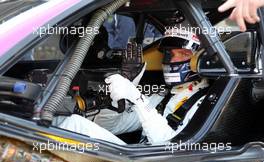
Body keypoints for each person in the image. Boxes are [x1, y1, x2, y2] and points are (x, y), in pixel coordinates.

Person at [53, 28, 209, 145]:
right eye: (170, 54)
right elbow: (107, 127)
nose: (173, 60)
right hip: (136, 158)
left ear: (199, 59)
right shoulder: (163, 96)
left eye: (182, 54)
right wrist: (121, 97)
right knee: (66, 122)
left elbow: (169, 149)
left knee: (74, 124)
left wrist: (138, 98)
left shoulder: (203, 102)